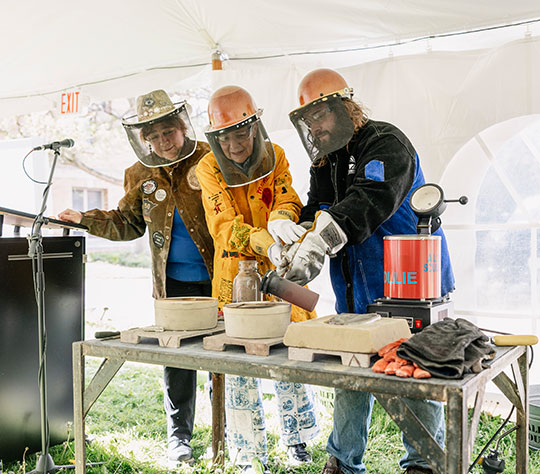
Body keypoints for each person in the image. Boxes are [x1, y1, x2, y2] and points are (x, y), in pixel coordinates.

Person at [284, 69, 455, 474]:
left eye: (320, 115)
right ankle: (343, 462)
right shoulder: (325, 160)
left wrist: (319, 240)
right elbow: (316, 207)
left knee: (411, 375)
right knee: (350, 374)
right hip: (353, 285)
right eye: (308, 120)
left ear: (346, 106)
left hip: (408, 281)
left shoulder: (386, 143)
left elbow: (369, 202)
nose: (315, 126)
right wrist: (291, 232)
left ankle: (424, 463)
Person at [58, 89, 214, 466]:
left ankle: (229, 434)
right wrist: (85, 220)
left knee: (224, 360)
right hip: (172, 286)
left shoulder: (211, 157)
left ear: (182, 127)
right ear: (144, 139)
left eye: (168, 133)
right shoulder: (140, 173)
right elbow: (127, 224)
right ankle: (180, 439)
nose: (163, 142)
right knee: (176, 362)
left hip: (218, 279)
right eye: (154, 137)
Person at [195, 85, 319, 473]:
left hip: (278, 269)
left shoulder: (276, 155)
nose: (234, 145)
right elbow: (223, 225)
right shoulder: (208, 168)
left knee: (288, 350)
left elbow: (287, 195)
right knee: (239, 363)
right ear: (215, 138)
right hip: (236, 274)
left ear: (255, 127)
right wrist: (264, 241)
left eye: (241, 133)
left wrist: (282, 217)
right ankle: (249, 454)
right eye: (225, 137)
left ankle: (297, 436)